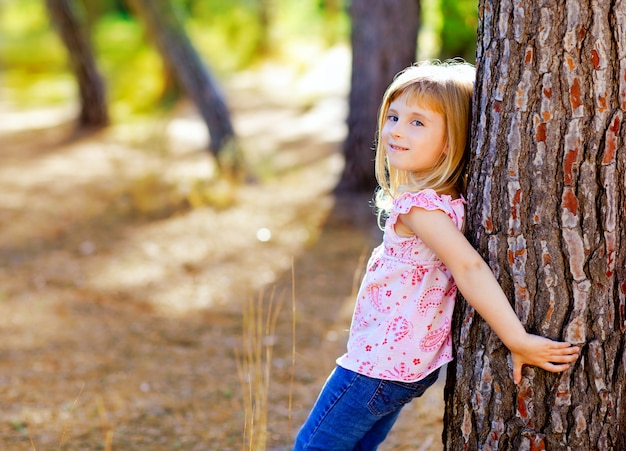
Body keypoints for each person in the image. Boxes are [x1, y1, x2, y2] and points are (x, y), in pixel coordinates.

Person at [293, 60, 580, 450]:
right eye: (393, 116)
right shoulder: (448, 201)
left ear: (451, 139)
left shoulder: (418, 207)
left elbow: (469, 266)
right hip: (402, 367)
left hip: (374, 368)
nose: (395, 130)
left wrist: (517, 339)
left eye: (417, 122)